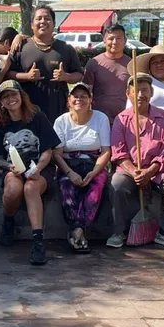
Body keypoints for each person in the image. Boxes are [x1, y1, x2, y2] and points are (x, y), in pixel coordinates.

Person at [108, 74, 164, 250]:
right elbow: (119, 153)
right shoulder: (121, 119)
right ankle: (120, 232)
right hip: (129, 169)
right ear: (128, 94)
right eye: (136, 91)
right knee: (117, 184)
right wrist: (134, 172)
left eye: (145, 90)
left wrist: (149, 172)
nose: (140, 95)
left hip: (160, 169)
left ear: (152, 92)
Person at [0, 80, 60, 265]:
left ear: (21, 96)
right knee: (13, 189)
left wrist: (38, 168)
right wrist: (7, 166)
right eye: (5, 96)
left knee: (30, 188)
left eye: (13, 94)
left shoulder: (37, 116)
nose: (10, 99)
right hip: (13, 169)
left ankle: (38, 242)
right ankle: (8, 220)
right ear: (1, 102)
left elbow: (48, 150)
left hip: (40, 168)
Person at [53, 82, 111, 252]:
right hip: (68, 165)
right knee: (66, 188)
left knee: (96, 189)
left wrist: (94, 173)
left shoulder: (101, 118)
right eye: (75, 96)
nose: (79, 99)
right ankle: (78, 233)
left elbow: (106, 151)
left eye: (84, 96)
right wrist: (70, 173)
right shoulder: (61, 121)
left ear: (91, 100)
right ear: (69, 101)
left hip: (94, 165)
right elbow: (57, 153)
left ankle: (77, 231)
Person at [5, 5, 83, 123]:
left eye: (47, 18)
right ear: (31, 24)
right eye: (39, 18)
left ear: (54, 23)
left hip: (57, 109)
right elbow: (7, 74)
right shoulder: (20, 46)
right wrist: (27, 76)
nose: (43, 21)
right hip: (26, 109)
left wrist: (66, 77)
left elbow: (79, 74)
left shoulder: (66, 48)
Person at [82, 24, 132, 121]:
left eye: (119, 38)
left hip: (126, 119)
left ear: (125, 41)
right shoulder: (93, 63)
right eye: (111, 38)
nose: (114, 42)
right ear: (104, 41)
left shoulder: (131, 64)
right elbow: (86, 92)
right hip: (99, 119)